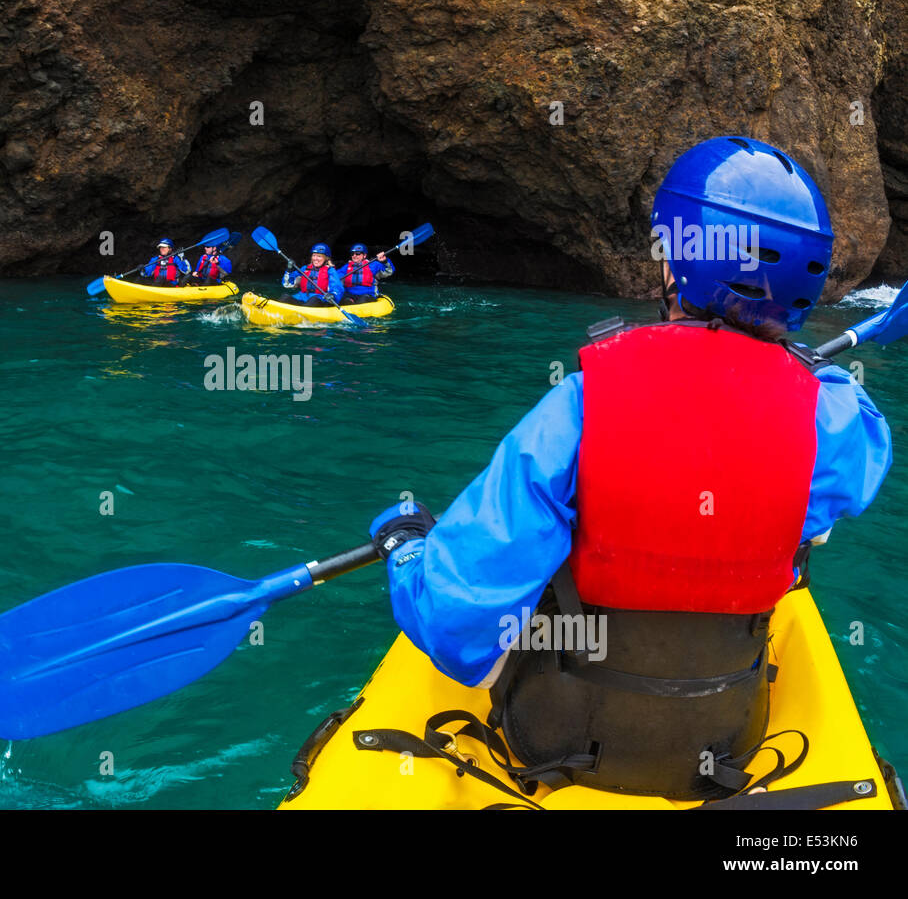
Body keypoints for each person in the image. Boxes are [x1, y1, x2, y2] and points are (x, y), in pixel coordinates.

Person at [366, 136, 892, 801]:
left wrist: (407, 550)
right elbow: (839, 460)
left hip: (558, 740)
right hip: (727, 738)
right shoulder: (842, 418)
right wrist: (793, 374)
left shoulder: (579, 406)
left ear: (678, 265)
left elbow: (452, 617)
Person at [279, 243, 344, 306]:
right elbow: (287, 283)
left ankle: (302, 314)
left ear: (326, 258)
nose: (315, 258)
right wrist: (289, 269)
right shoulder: (305, 268)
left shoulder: (330, 271)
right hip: (302, 297)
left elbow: (337, 287)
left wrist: (333, 295)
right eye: (314, 255)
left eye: (319, 256)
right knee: (285, 297)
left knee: (314, 300)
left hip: (320, 299)